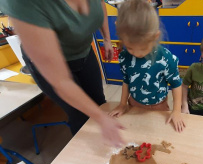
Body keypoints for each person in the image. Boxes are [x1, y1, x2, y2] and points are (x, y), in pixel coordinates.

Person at [0, 0, 124, 146]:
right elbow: (60, 80)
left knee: (99, 102)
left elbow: (99, 5)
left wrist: (107, 39)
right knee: (80, 115)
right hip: (52, 65)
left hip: (83, 52)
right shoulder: (23, 3)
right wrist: (101, 119)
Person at [108, 0, 185, 132]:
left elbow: (176, 84)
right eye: (131, 48)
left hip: (159, 106)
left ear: (155, 37)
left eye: (143, 48)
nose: (137, 54)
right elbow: (126, 80)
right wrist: (122, 104)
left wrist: (177, 111)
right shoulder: (124, 56)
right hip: (134, 103)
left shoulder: (166, 58)